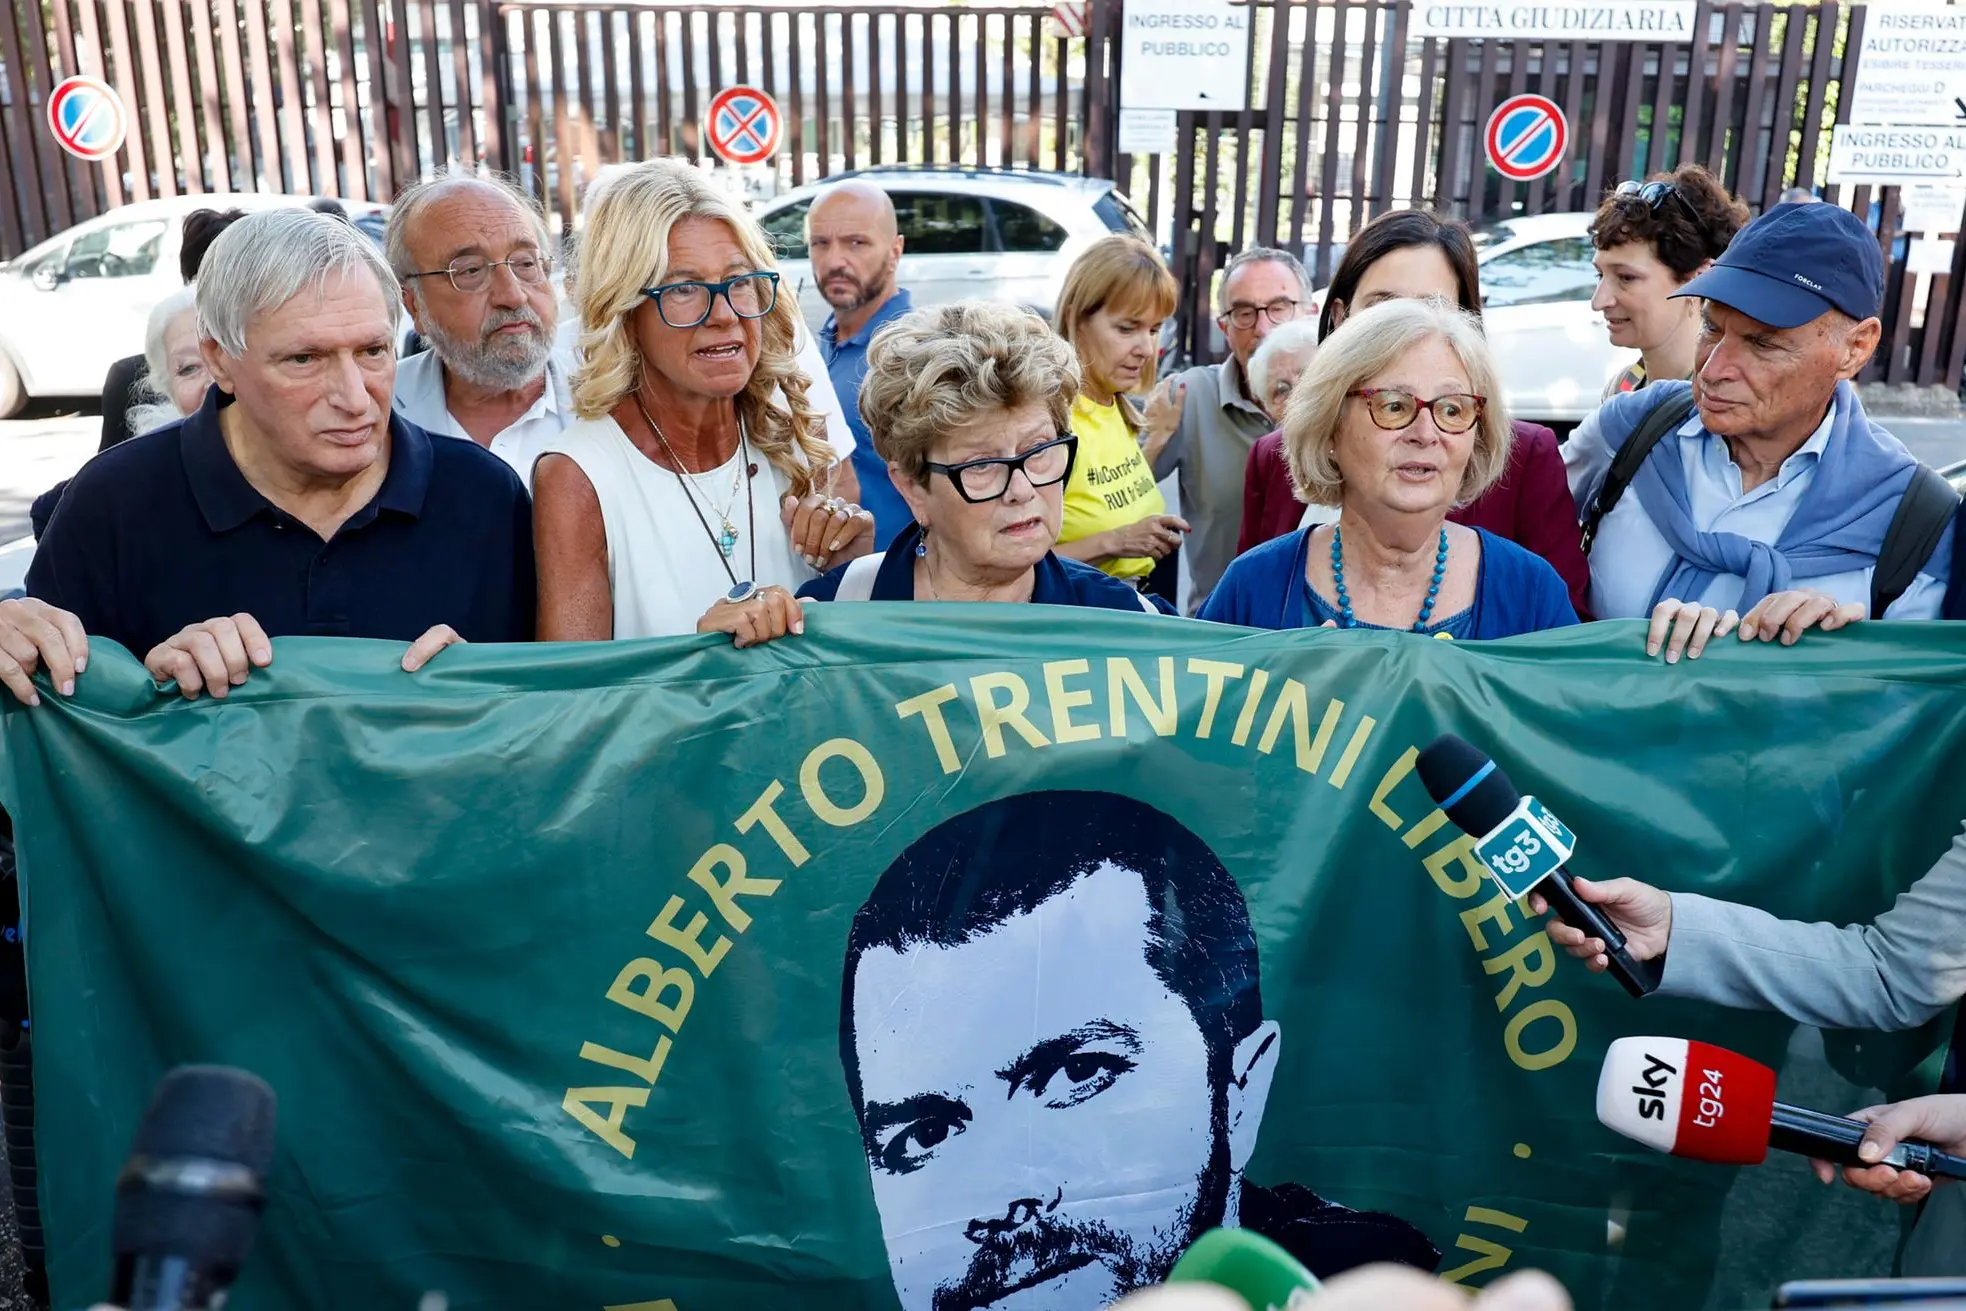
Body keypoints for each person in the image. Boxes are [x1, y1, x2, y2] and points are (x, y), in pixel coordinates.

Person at [840, 790, 1440, 1311]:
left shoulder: (1379, 1291)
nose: (1001, 1201)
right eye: (923, 1137)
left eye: (1077, 1075)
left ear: (1240, 1092)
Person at [6, 206, 534, 705]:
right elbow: (53, 729)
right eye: (305, 359)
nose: (354, 398)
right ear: (219, 360)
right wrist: (151, 691)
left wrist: (481, 698)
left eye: (373, 351)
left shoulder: (484, 497)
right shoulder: (113, 505)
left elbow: (544, 725)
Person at [1564, 200, 1955, 641]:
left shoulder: (1916, 521)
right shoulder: (1634, 428)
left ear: (1856, 348)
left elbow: (1910, 700)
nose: (1712, 369)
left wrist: (1835, 659)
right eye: (1711, 327)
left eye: (1763, 344)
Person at [533, 159, 873, 645]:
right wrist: (700, 657)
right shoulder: (578, 478)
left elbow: (849, 660)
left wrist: (850, 566)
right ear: (625, 311)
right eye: (685, 289)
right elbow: (579, 702)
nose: (725, 314)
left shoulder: (796, 434)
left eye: (739, 282)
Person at [1236, 210, 1591, 616]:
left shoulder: (1525, 459)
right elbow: (1233, 649)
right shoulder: (1274, 458)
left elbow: (1564, 647)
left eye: (1433, 307)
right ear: (1339, 318)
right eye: (1382, 307)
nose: (1407, 329)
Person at [1201, 298, 1576, 638]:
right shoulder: (1252, 586)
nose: (1426, 434)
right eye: (1394, 406)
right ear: (1329, 426)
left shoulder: (1531, 593)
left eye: (1452, 409)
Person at [800, 299, 1168, 612]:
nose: (1022, 490)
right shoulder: (836, 614)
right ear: (912, 486)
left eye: (1038, 450)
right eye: (981, 464)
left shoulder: (1131, 621)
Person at [1148, 247, 1317, 610]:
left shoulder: (1348, 405)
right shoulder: (1188, 397)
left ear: (1311, 313)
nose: (1263, 327)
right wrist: (1155, 439)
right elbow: (1119, 493)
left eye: (1279, 307)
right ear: (1224, 328)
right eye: (1244, 313)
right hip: (1219, 633)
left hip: (1318, 632)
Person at [386, 169, 567, 487]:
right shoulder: (379, 417)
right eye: (470, 271)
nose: (512, 295)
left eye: (526, 263)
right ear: (414, 305)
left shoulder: (619, 399)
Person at [1052, 236, 1191, 590]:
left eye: (1155, 329)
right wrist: (1116, 542)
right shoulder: (1051, 422)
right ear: (1076, 318)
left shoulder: (1113, 400)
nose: (1146, 348)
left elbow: (1106, 489)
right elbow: (1009, 562)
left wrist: (1156, 440)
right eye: (1127, 328)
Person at [810, 181, 914, 548]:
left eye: (857, 243)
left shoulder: (913, 355)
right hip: (835, 583)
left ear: (895, 250)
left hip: (895, 588)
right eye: (820, 243)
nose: (835, 260)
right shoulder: (817, 343)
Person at [1589, 166, 1749, 398]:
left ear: (1701, 278)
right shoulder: (1623, 386)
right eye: (1600, 275)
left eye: (1626, 277)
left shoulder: (1723, 404)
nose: (1598, 301)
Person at [1238, 319, 1331, 549]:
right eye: (1281, 390)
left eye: (1308, 374)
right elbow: (1250, 555)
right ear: (1268, 409)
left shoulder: (1370, 439)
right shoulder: (1267, 452)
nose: (1298, 394)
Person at [123, 287, 209, 436]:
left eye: (229, 355)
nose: (213, 382)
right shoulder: (152, 457)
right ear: (168, 389)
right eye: (189, 368)